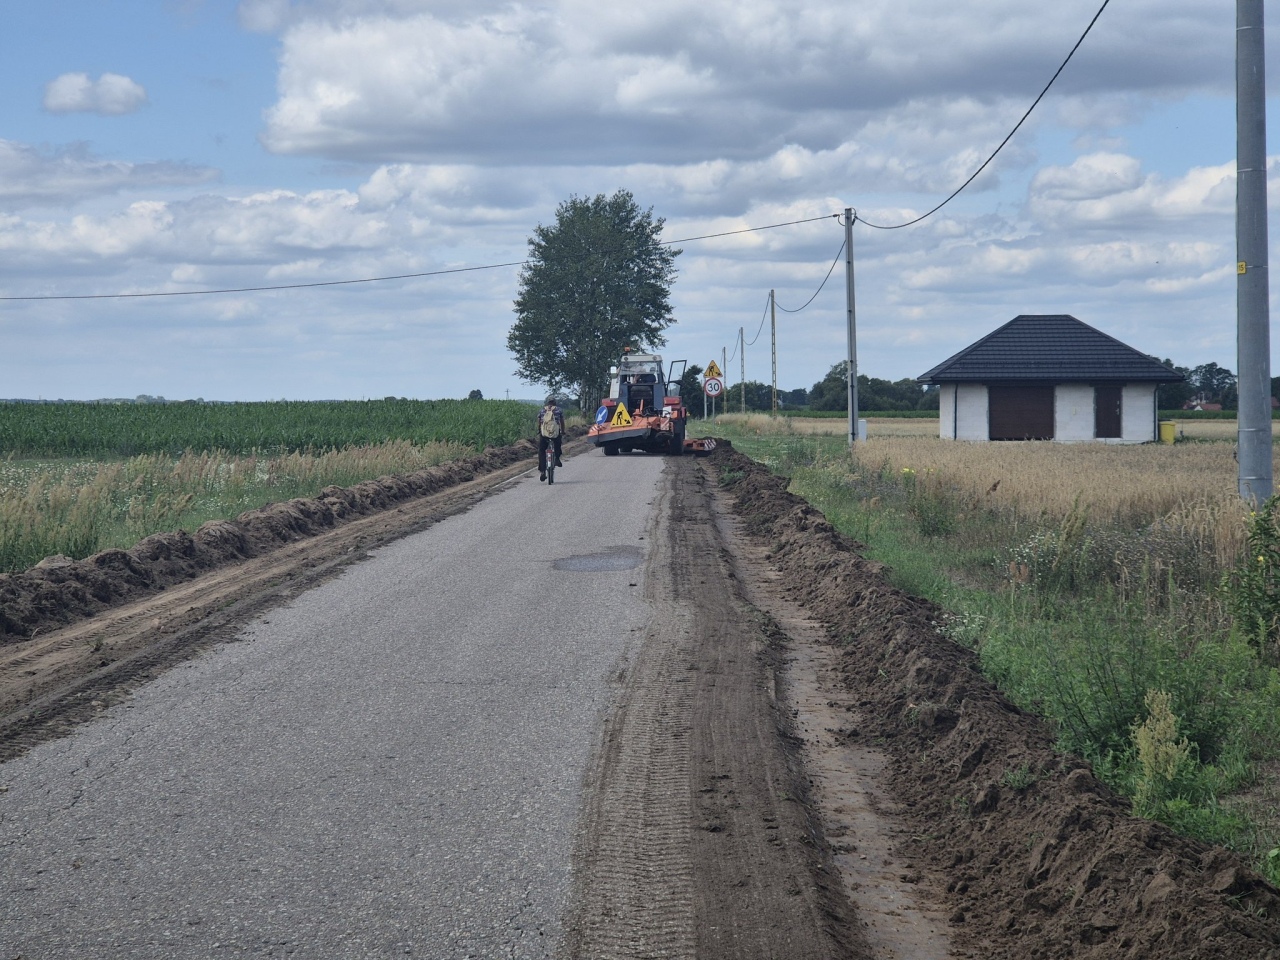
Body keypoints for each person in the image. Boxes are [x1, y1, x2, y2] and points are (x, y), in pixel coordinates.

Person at [536, 395, 564, 481]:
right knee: (558, 444)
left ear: (547, 402)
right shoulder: (559, 410)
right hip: (555, 434)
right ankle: (557, 459)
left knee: (541, 451)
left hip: (544, 435)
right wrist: (562, 431)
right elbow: (562, 422)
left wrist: (539, 431)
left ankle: (543, 471)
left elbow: (539, 422)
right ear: (555, 402)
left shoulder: (542, 410)